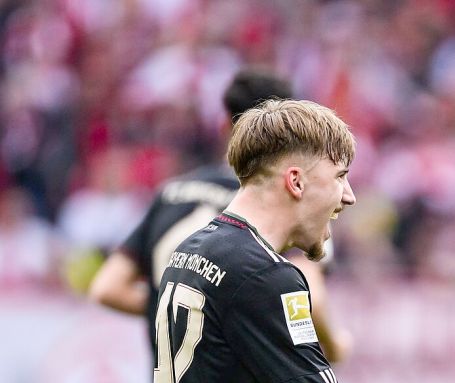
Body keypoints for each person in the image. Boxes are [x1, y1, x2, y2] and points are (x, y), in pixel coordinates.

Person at [141, 98, 448, 383]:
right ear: (296, 180)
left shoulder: (188, 255)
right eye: (340, 176)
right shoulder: (264, 275)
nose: (349, 196)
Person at [88, 68, 351, 363]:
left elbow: (107, 288)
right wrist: (335, 345)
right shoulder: (280, 201)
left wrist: (187, 310)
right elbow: (310, 298)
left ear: (224, 125)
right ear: (292, 135)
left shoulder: (171, 194)